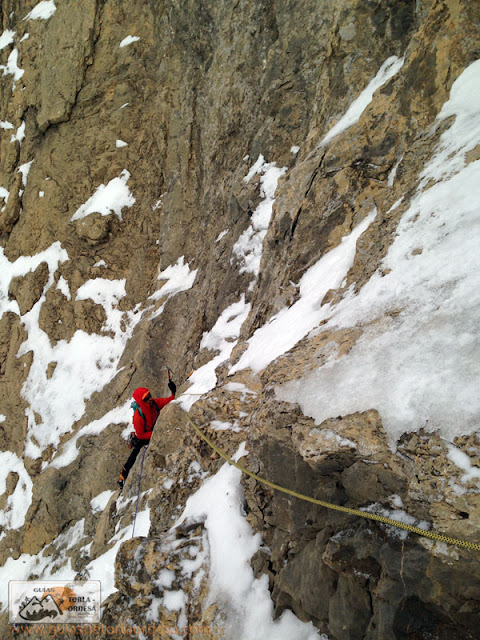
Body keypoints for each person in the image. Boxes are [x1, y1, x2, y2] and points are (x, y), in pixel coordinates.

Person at [118, 381, 176, 490]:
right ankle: (123, 476)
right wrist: (155, 434)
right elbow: (140, 435)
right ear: (141, 401)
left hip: (151, 431)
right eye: (146, 398)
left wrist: (173, 392)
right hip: (143, 436)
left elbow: (168, 401)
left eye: (149, 395)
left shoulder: (153, 404)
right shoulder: (138, 417)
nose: (150, 398)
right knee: (135, 454)